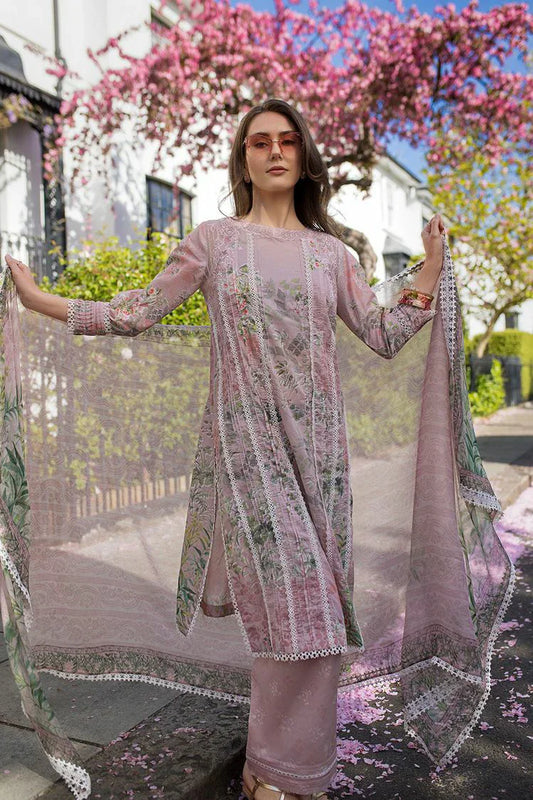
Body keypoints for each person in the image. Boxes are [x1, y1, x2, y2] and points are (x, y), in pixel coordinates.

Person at [6, 98, 444, 800]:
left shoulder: (332, 256)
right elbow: (136, 312)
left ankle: (277, 772)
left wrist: (430, 270)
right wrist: (43, 303)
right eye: (258, 143)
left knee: (317, 621)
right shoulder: (214, 241)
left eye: (287, 141)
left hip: (321, 462)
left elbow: (382, 334)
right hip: (248, 459)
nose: (274, 152)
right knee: (302, 614)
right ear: (242, 161)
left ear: (305, 158)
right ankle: (280, 777)